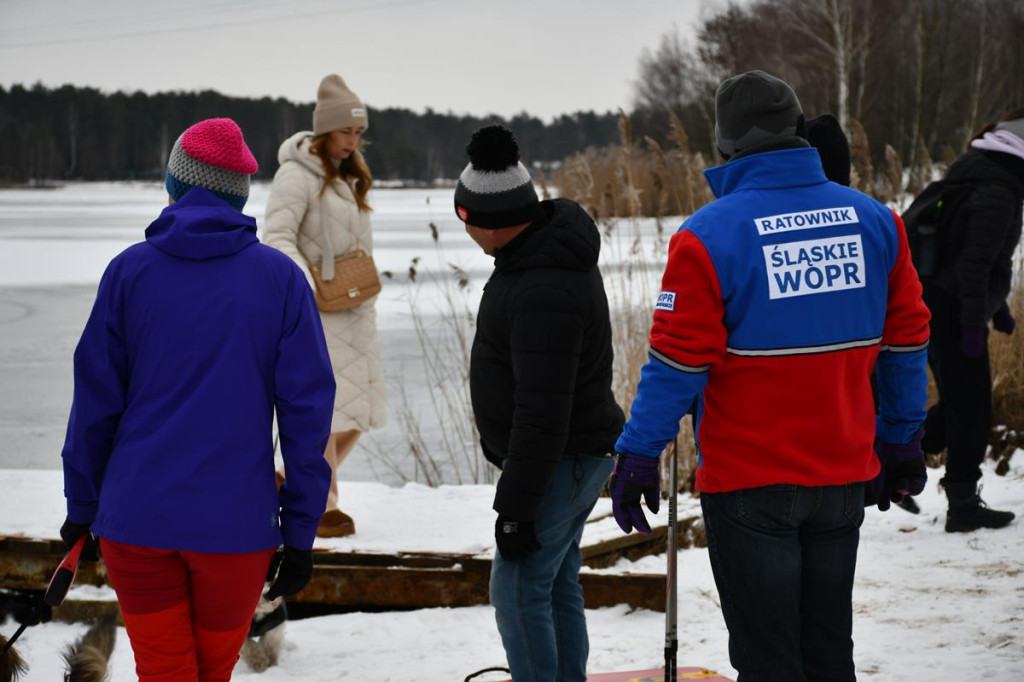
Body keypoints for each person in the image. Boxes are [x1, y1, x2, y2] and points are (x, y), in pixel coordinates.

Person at [611, 71, 931, 681]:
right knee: (829, 650)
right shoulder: (875, 221)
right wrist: (901, 433)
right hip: (842, 476)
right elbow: (907, 338)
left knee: (768, 661)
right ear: (797, 131)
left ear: (724, 146)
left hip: (750, 483)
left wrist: (639, 451)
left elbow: (679, 361)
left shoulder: (707, 235)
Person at [59, 118, 335, 681]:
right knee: (211, 673)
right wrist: (301, 530)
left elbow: (94, 406)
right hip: (235, 530)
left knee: (165, 672)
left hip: (136, 522)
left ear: (175, 187)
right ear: (239, 195)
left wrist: (82, 511)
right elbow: (308, 416)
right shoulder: (280, 281)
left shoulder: (128, 273)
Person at [455, 125, 625, 681]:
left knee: (518, 588)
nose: (466, 229)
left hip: (562, 459)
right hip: (572, 456)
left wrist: (517, 509)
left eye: (465, 217)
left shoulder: (541, 287)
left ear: (492, 220)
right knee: (553, 584)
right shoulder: (539, 259)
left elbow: (543, 409)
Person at [264, 74, 387, 538]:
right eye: (345, 132)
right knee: (328, 412)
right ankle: (320, 504)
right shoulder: (296, 176)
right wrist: (302, 291)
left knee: (357, 415)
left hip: (355, 307)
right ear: (323, 132)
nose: (353, 141)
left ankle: (289, 481)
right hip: (316, 312)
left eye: (358, 133)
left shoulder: (349, 174)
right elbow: (277, 237)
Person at [916, 111, 1023, 532]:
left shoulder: (978, 175)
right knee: (972, 409)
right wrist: (973, 324)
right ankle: (961, 505)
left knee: (964, 405)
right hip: (952, 310)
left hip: (940, 302)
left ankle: (889, 455)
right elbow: (973, 265)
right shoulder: (998, 189)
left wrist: (999, 310)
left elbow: (961, 251)